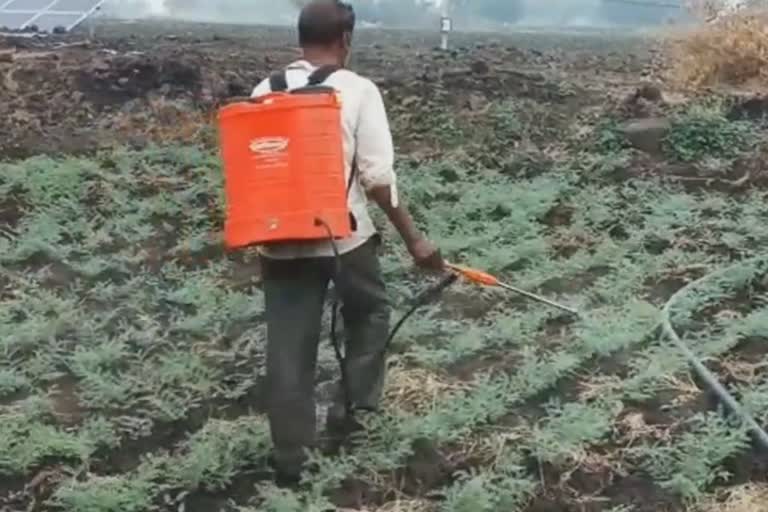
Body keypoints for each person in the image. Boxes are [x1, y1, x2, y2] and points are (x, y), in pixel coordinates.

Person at [250, 0, 444, 486]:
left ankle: (291, 459)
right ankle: (355, 418)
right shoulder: (357, 90)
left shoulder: (262, 91)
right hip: (345, 238)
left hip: (278, 241)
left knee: (289, 348)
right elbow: (377, 178)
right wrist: (415, 240)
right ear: (345, 41)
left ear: (300, 39)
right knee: (370, 313)